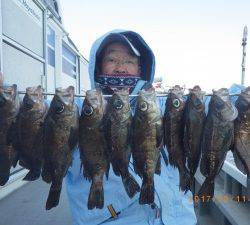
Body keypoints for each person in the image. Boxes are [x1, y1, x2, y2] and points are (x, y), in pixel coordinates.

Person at [66, 30, 197, 225]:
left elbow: (212, 109)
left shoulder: (162, 106)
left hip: (179, 219)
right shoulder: (79, 110)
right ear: (98, 66)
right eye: (112, 60)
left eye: (129, 61)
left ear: (140, 69)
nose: (120, 68)